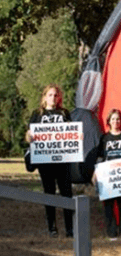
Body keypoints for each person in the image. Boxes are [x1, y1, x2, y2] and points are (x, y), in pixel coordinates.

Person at [25, 84, 74, 238]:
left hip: (63, 160)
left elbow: (71, 132)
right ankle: (52, 228)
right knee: (49, 193)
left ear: (59, 97)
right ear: (44, 97)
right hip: (45, 161)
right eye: (50, 95)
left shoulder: (64, 113)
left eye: (56, 95)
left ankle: (70, 228)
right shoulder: (37, 114)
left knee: (66, 193)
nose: (53, 98)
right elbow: (28, 135)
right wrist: (30, 138)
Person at [96, 109, 121, 240]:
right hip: (108, 176)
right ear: (109, 121)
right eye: (113, 119)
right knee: (109, 205)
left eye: (118, 119)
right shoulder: (105, 138)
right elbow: (101, 157)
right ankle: (111, 232)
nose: (115, 121)